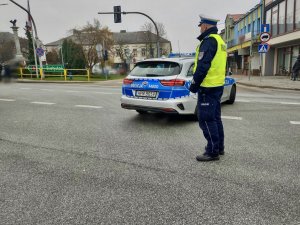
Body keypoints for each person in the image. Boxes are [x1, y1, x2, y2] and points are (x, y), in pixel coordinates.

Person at [189, 15, 227, 162]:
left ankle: (212, 151)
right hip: (217, 85)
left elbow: (203, 66)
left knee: (205, 119)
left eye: (201, 25)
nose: (200, 28)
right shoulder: (220, 40)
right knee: (215, 118)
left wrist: (194, 85)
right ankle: (219, 147)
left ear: (205, 25)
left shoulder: (209, 41)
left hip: (208, 87)